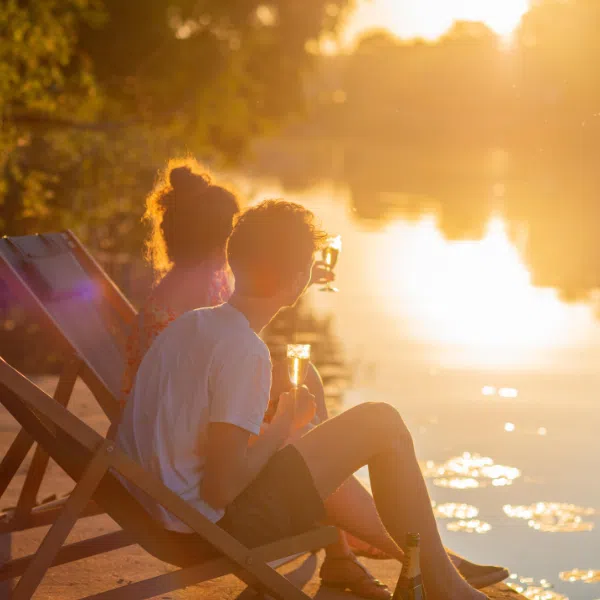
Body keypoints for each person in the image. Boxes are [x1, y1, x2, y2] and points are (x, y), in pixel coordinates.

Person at [116, 200, 507, 600]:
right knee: (382, 423)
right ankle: (444, 588)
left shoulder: (193, 323)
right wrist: (283, 425)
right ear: (299, 279)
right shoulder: (244, 351)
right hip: (205, 529)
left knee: (330, 416)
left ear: (235, 258)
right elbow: (221, 489)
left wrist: (281, 431)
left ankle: (394, 566)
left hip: (160, 508)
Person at [118, 160, 391, 598]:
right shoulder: (211, 322)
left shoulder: (196, 304)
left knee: (300, 395)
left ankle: (359, 546)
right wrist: (281, 424)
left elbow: (244, 303)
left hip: (168, 462)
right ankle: (401, 546)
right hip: (189, 489)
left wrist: (296, 278)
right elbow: (219, 481)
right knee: (330, 426)